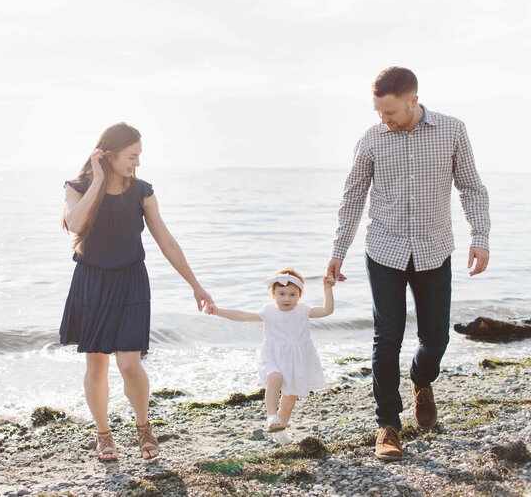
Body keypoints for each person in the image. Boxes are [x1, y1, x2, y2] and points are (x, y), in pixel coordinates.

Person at [327, 67, 491, 461]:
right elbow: (352, 199)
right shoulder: (371, 140)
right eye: (378, 113)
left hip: (434, 249)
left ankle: (421, 380)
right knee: (388, 337)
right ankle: (388, 425)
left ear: (413, 100)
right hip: (384, 249)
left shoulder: (451, 130)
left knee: (436, 338)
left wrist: (480, 238)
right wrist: (337, 253)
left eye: (390, 112)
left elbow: (471, 186)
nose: (384, 120)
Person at [60, 122, 213, 461]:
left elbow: (167, 241)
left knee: (130, 364)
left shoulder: (142, 192)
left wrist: (195, 285)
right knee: (96, 365)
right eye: (132, 156)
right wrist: (98, 181)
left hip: (131, 281)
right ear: (109, 155)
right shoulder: (78, 187)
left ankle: (143, 427)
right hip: (92, 281)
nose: (137, 163)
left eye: (139, 156)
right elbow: (76, 225)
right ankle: (104, 436)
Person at [205, 268, 334, 445]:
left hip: (297, 362)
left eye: (292, 294)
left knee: (289, 403)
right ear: (273, 294)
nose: (287, 299)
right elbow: (242, 315)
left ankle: (279, 432)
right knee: (275, 377)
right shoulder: (269, 313)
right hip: (273, 358)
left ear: (300, 295)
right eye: (282, 294)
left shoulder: (303, 311)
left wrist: (327, 288)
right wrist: (218, 311)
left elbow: (327, 310)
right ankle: (271, 415)